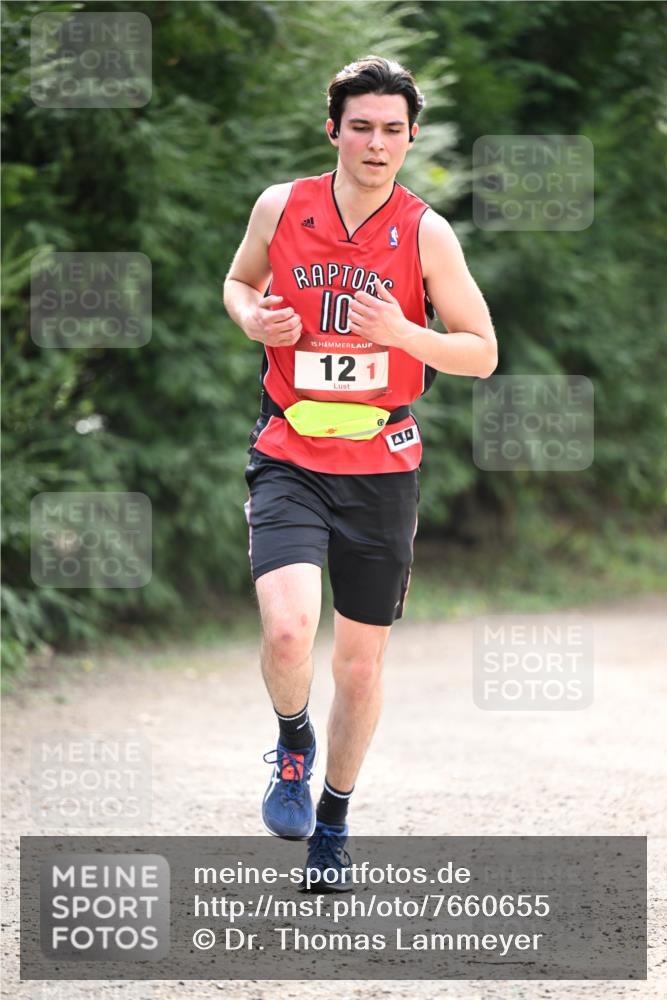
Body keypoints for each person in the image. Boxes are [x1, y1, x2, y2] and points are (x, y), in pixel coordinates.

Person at [223, 56, 497, 891]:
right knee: (286, 631)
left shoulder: (425, 232)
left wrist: (403, 333)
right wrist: (252, 316)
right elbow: (237, 282)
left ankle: (333, 825)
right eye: (360, 126)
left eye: (391, 129)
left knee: (361, 666)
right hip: (289, 454)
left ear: (410, 137)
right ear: (333, 130)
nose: (376, 144)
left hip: (381, 466)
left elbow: (480, 352)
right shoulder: (282, 205)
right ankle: (293, 742)